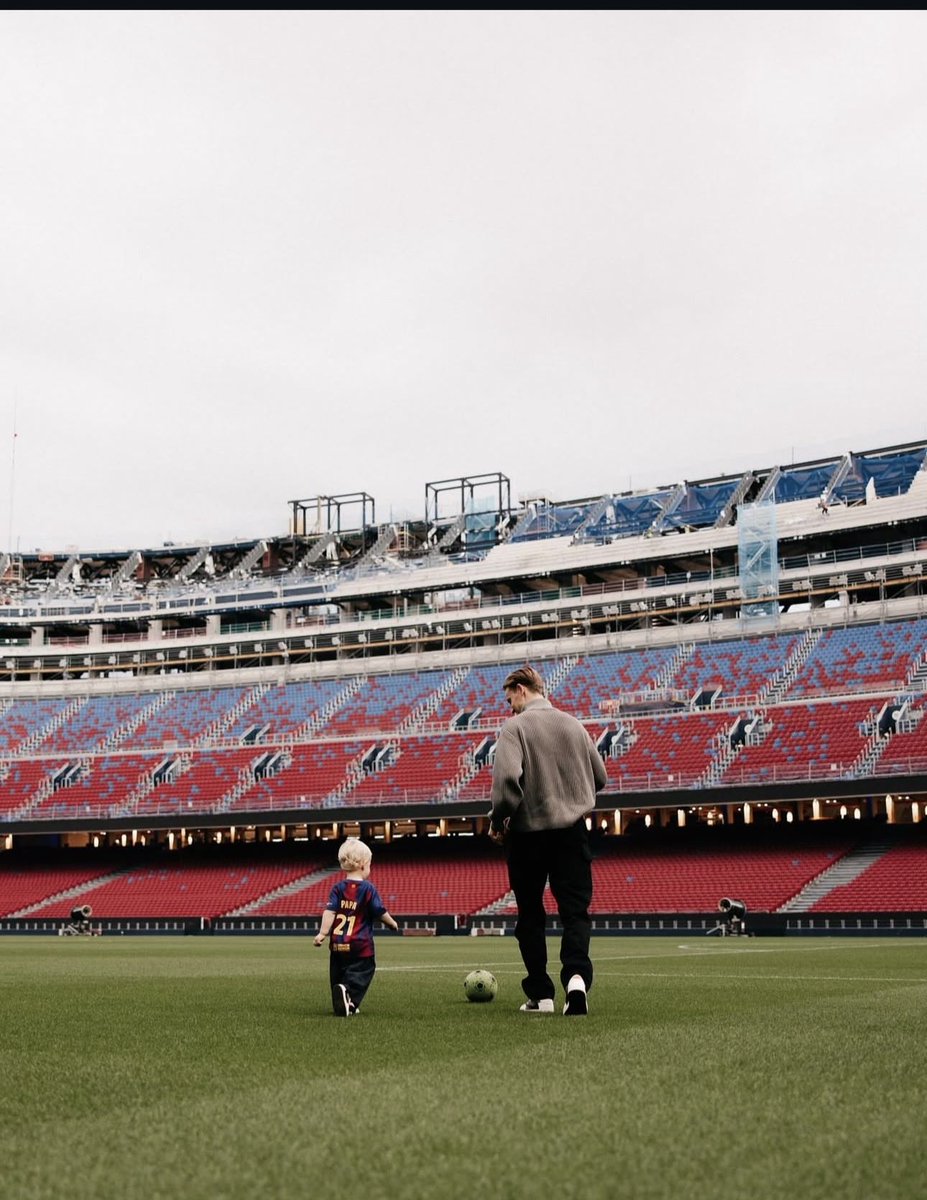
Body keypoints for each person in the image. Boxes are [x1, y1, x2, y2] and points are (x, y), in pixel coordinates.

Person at [488, 665, 607, 1016]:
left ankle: (541, 995)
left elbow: (508, 783)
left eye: (511, 700)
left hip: (528, 836)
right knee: (575, 914)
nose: (510, 708)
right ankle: (576, 982)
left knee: (530, 917)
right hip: (572, 833)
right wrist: (573, 794)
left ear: (521, 689)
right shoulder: (573, 724)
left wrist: (498, 820)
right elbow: (600, 776)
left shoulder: (516, 727)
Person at [313, 837, 400, 1016]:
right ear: (362, 865)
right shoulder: (368, 889)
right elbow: (378, 911)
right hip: (360, 945)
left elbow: (329, 912)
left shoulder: (337, 888)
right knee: (363, 972)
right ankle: (349, 997)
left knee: (338, 974)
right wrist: (391, 923)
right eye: (369, 865)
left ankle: (343, 997)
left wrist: (322, 933)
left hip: (338, 944)